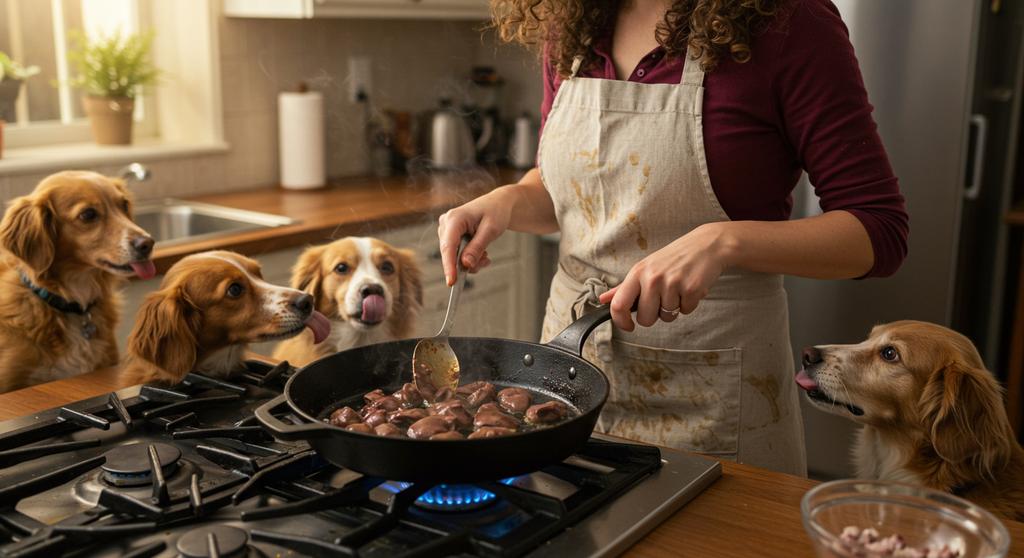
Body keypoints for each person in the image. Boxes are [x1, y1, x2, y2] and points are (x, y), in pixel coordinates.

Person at [436, 0, 908, 476]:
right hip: (569, 376)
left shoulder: (791, 21)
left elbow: (877, 229)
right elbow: (572, 191)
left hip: (715, 395)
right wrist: (510, 201)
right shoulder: (575, 21)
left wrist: (723, 242)